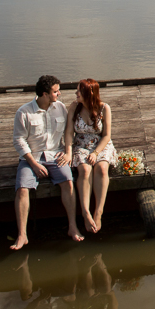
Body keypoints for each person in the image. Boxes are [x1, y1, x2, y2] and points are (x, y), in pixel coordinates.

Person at [12, 74, 84, 249]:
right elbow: (19, 140)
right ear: (44, 94)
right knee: (22, 189)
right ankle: (22, 235)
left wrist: (68, 153)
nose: (59, 94)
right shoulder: (24, 112)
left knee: (68, 182)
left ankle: (72, 227)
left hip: (55, 155)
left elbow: (69, 132)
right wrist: (34, 164)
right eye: (56, 91)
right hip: (32, 158)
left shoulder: (60, 108)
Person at [65, 78, 116, 234]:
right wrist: (68, 152)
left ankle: (98, 211)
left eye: (79, 91)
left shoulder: (104, 108)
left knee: (101, 168)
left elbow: (107, 135)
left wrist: (96, 153)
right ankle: (85, 211)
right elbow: (68, 132)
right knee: (85, 171)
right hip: (81, 144)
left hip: (100, 144)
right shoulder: (74, 107)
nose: (76, 93)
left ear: (90, 92)